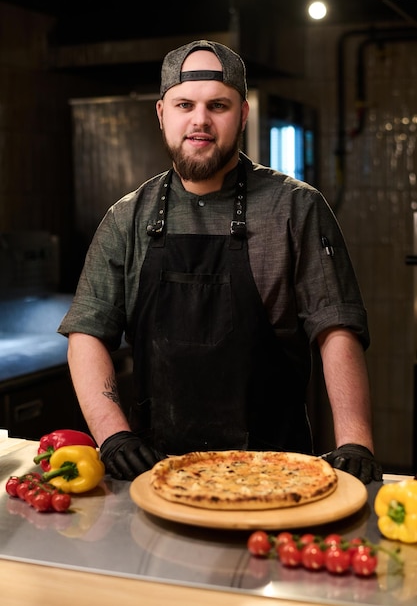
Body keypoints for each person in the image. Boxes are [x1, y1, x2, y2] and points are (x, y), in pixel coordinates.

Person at [58, 39, 382, 484]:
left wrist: (355, 442)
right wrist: (114, 436)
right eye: (185, 104)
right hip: (157, 475)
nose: (200, 120)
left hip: (276, 473)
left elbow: (336, 328)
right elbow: (87, 333)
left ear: (243, 114)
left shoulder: (295, 208)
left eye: (218, 105)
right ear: (162, 114)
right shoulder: (127, 217)